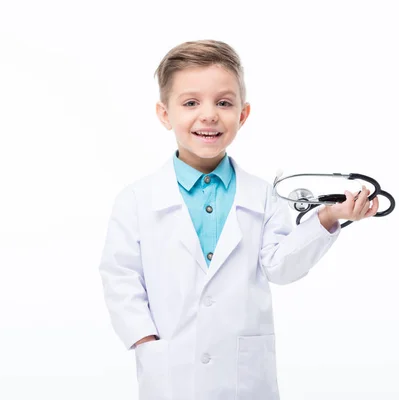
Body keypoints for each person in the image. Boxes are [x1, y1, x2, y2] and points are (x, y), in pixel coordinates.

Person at [98, 39, 379, 400]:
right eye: (190, 103)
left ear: (243, 115)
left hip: (244, 378)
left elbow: (280, 267)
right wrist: (145, 340)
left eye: (224, 103)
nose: (209, 114)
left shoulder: (263, 196)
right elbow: (119, 276)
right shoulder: (137, 200)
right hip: (171, 371)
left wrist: (327, 218)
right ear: (164, 114)